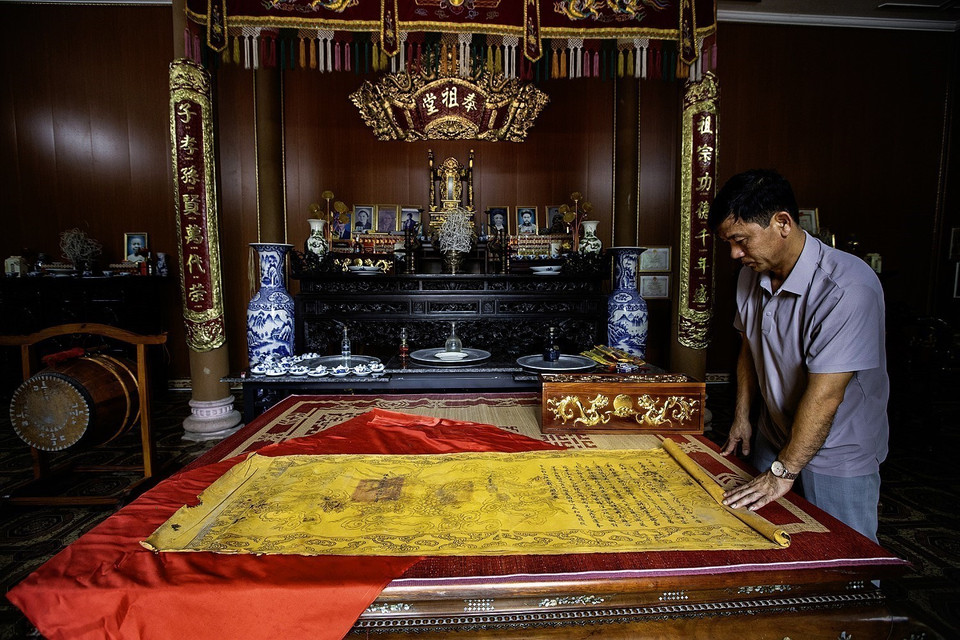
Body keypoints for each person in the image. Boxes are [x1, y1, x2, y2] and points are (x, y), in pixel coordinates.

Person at [708, 169, 889, 543]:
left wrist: (783, 473)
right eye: (729, 242)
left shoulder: (846, 287)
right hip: (773, 435)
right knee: (759, 540)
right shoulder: (752, 273)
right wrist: (743, 417)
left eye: (741, 241)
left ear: (783, 223)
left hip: (839, 450)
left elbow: (826, 397)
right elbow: (748, 347)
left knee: (846, 559)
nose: (734, 254)